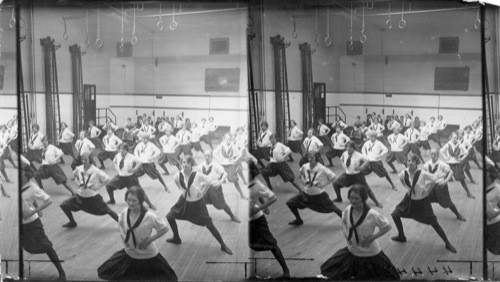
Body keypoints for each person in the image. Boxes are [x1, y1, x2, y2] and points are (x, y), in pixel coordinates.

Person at [97, 186, 178, 281]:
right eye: (128, 199)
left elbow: (164, 229)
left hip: (147, 254)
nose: (130, 203)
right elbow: (121, 225)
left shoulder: (150, 216)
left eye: (134, 200)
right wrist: (124, 238)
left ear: (140, 201)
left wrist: (149, 240)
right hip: (130, 252)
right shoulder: (124, 212)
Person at [320, 184, 399, 280]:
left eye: (356, 198)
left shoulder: (372, 214)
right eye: (351, 197)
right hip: (352, 250)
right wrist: (346, 235)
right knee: (329, 268)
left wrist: (372, 237)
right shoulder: (348, 209)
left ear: (363, 199)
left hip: (370, 252)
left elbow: (387, 226)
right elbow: (344, 222)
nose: (353, 201)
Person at [165, 156, 233, 255]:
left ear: (191, 164)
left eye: (188, 163)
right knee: (170, 216)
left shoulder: (197, 175)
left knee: (209, 225)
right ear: (181, 163)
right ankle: (176, 238)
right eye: (183, 162)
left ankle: (223, 244)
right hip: (184, 202)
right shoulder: (178, 175)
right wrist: (181, 191)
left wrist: (203, 192)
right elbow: (175, 180)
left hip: (197, 204)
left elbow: (209, 181)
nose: (185, 164)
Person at [390, 153, 457, 253]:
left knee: (434, 223)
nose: (410, 163)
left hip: (422, 202)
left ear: (417, 162)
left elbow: (434, 179)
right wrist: (407, 189)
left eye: (412, 161)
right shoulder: (404, 173)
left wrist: (428, 191)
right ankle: (401, 236)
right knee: (395, 214)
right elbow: (401, 178)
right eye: (408, 161)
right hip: (409, 201)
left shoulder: (422, 173)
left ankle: (447, 243)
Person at [20, 165, 66, 280]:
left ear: (26, 174)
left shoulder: (33, 187)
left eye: (20, 172)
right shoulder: (17, 184)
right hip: (17, 223)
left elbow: (48, 200)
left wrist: (33, 212)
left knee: (46, 246)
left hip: (31, 223)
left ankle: (61, 272)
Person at [248, 161, 290, 278]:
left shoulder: (258, 185)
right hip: (244, 220)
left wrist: (260, 208)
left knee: (271, 244)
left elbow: (273, 197)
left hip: (256, 220)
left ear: (252, 172)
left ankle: (286, 270)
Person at [60, 152, 118, 228]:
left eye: (85, 160)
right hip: (80, 196)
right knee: (64, 205)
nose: (83, 162)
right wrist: (77, 183)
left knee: (108, 211)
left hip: (93, 197)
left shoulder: (95, 170)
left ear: (90, 160)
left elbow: (107, 179)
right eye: (82, 160)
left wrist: (98, 187)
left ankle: (122, 223)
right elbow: (75, 176)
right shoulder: (79, 168)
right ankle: (72, 222)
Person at [286, 151, 341, 226]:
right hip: (306, 193)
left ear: (316, 157)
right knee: (290, 203)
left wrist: (323, 185)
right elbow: (301, 173)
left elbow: (333, 176)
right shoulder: (305, 166)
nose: (309, 159)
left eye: (312, 157)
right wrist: (303, 179)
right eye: (308, 157)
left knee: (334, 209)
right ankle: (298, 220)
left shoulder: (321, 168)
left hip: (319, 195)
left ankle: (349, 220)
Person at [333, 141, 383, 208]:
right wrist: (344, 166)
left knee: (367, 190)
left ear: (353, 148)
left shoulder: (358, 155)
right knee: (335, 184)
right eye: (347, 147)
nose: (348, 148)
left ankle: (377, 202)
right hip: (348, 175)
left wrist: (361, 167)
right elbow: (341, 159)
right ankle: (339, 198)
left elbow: (367, 159)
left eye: (350, 147)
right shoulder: (344, 154)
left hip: (357, 176)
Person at [106, 143, 156, 210]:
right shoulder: (118, 155)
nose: (121, 150)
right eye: (120, 149)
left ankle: (150, 204)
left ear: (127, 150)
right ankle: (112, 200)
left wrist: (135, 169)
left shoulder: (131, 156)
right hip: (120, 177)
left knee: (140, 191)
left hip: (130, 178)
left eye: (123, 149)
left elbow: (140, 162)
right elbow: (114, 161)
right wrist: (116, 168)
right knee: (108, 186)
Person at [423, 149, 466, 221]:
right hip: (431, 185)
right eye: (432, 154)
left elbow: (451, 172)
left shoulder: (442, 164)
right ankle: (427, 214)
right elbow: (423, 175)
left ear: (438, 155)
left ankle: (458, 214)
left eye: (435, 154)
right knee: (425, 199)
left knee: (447, 202)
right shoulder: (426, 164)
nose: (433, 156)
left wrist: (445, 181)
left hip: (440, 185)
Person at [199, 150, 240, 222]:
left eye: (209, 156)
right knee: (201, 202)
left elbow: (225, 174)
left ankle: (232, 216)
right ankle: (204, 216)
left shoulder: (216, 165)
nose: (207, 157)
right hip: (204, 187)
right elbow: (197, 177)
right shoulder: (200, 166)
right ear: (204, 156)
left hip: (214, 187)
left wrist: (220, 182)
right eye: (206, 156)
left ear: (211, 157)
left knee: (221, 204)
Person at [440, 131, 475, 198]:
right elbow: (441, 151)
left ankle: (468, 193)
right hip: (449, 164)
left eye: (456, 137)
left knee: (461, 179)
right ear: (451, 137)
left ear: (457, 138)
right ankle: (442, 194)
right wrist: (446, 157)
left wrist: (461, 159)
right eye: (453, 137)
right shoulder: (448, 144)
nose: (454, 139)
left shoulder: (459, 145)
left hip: (456, 164)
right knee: (444, 179)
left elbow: (466, 152)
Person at [213, 134, 246, 199]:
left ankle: (242, 194)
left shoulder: (232, 146)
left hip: (230, 165)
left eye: (229, 139)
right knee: (216, 180)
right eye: (226, 139)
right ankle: (214, 195)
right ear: (224, 139)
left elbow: (240, 154)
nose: (227, 140)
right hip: (222, 165)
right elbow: (214, 152)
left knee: (235, 181)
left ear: (230, 140)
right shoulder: (221, 145)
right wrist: (219, 158)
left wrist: (235, 160)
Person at [485, 161, 500, 255]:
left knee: (496, 247)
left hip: (494, 222)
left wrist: (495, 213)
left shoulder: (498, 189)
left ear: (491, 176)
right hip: (486, 222)